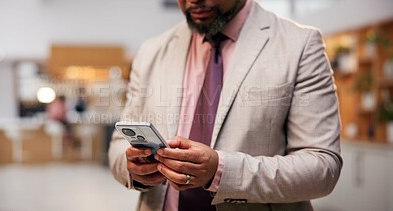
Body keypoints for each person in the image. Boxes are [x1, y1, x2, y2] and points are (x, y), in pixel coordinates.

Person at [109, 0, 342, 210]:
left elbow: (322, 167)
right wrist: (136, 169)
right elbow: (120, 143)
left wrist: (221, 171)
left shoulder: (299, 46)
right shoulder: (151, 51)